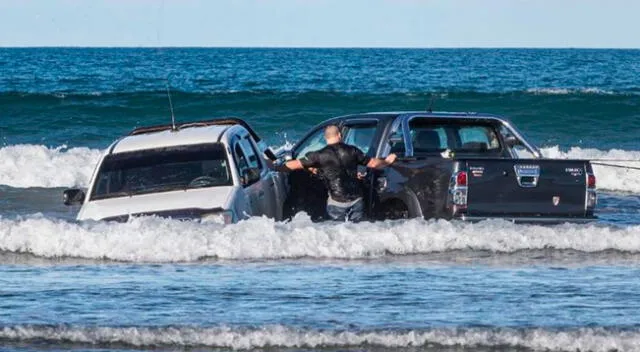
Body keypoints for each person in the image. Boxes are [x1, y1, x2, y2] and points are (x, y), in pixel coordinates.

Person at [273, 125, 397, 222]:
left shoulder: (318, 155)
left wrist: (274, 167)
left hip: (337, 201)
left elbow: (292, 165)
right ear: (339, 135)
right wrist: (387, 160)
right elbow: (374, 164)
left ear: (326, 138)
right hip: (356, 199)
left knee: (337, 231)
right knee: (357, 231)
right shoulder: (353, 150)